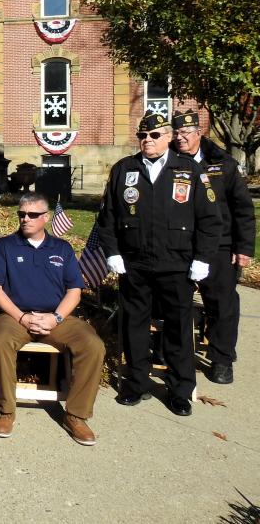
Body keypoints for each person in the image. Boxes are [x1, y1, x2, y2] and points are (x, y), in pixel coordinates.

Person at [97, 111, 221, 416]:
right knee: (134, 325)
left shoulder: (189, 170)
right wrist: (112, 252)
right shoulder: (125, 169)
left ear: (168, 137)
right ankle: (136, 383)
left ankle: (181, 388)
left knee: (179, 328)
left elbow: (210, 220)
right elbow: (108, 217)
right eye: (142, 136)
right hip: (135, 265)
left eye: (154, 135)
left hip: (176, 264)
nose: (147, 141)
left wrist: (202, 259)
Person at [0, 192, 105, 445]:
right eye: (21, 214)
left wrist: (56, 317)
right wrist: (22, 317)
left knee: (93, 345)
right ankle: (5, 411)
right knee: (0, 341)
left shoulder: (62, 248)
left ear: (46, 218)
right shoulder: (4, 246)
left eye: (32, 215)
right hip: (13, 316)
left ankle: (76, 416)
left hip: (55, 317)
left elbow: (74, 291)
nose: (25, 219)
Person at [171, 109, 255, 384]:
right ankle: (171, 351)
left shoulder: (223, 164)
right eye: (176, 132)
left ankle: (221, 358)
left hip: (220, 245)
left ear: (198, 134)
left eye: (185, 133)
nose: (179, 137)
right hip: (181, 244)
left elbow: (242, 209)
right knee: (174, 301)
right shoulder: (168, 160)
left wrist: (244, 248)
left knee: (221, 303)